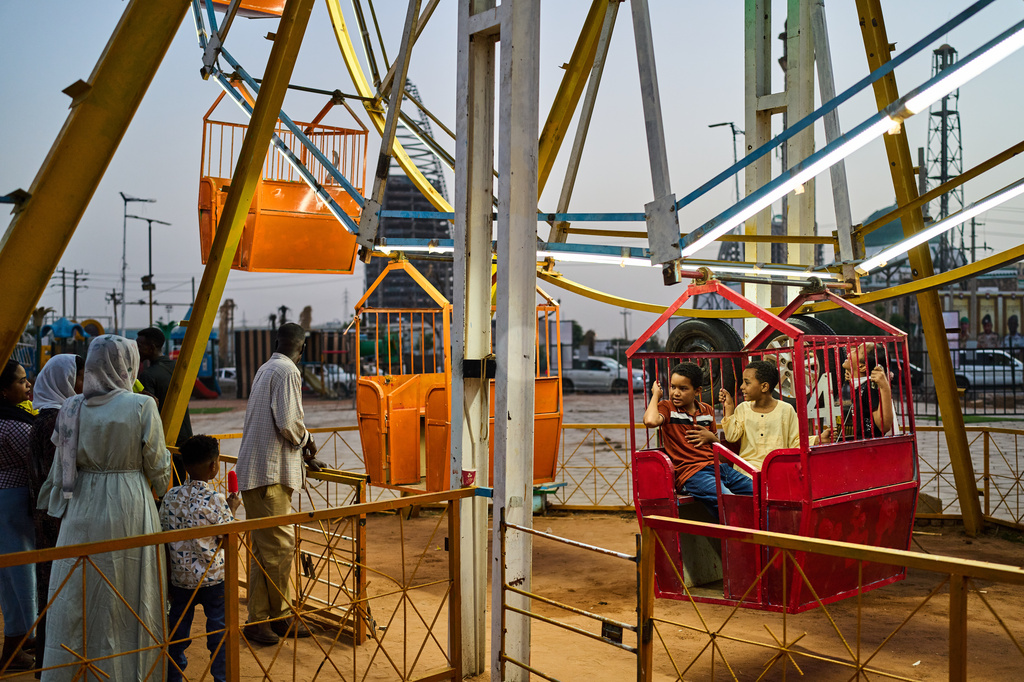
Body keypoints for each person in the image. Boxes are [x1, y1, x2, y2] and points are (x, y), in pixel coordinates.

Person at [37, 335, 171, 681]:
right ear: (128, 364)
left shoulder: (70, 407)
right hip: (130, 503)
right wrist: (158, 488)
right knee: (128, 590)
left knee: (79, 591)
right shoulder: (142, 406)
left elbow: (59, 470)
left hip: (81, 507)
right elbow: (158, 470)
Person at [235, 323, 322, 645]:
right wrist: (308, 442)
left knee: (265, 551)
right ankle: (278, 617)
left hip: (257, 473)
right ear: (302, 349)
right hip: (268, 476)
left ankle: (262, 620)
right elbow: (288, 423)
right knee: (281, 549)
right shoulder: (287, 371)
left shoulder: (266, 368)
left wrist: (302, 451)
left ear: (276, 342)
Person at [160, 435, 240, 682]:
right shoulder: (216, 500)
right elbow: (227, 539)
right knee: (219, 634)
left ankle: (174, 677)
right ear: (214, 466)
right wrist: (232, 509)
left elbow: (163, 535)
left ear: (184, 465)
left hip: (180, 581)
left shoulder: (171, 497)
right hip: (213, 579)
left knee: (177, 634)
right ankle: (222, 678)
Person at [28, 354, 84, 671]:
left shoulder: (45, 416)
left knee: (50, 584)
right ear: (64, 379)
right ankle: (55, 661)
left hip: (45, 511)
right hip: (58, 514)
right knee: (59, 587)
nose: (83, 384)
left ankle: (49, 660)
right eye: (79, 377)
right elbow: (65, 474)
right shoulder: (57, 419)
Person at [642, 362, 752, 521]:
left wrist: (711, 437)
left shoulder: (707, 410)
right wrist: (655, 395)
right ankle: (736, 540)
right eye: (673, 387)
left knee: (757, 490)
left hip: (718, 468)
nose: (676, 393)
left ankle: (764, 536)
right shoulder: (667, 407)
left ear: (698, 391)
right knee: (728, 499)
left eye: (683, 388)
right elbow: (651, 421)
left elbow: (715, 446)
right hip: (692, 473)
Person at [719, 360, 828, 473]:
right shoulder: (743, 408)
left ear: (764, 387)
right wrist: (729, 408)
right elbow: (731, 437)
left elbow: (795, 441)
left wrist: (817, 439)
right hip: (747, 470)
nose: (742, 387)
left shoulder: (786, 410)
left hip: (777, 470)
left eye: (747, 383)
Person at [0, 359, 38, 672]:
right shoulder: (13, 424)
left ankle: (13, 649)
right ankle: (33, 638)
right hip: (14, 502)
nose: (28, 385)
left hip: (3, 501)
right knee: (24, 570)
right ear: (3, 390)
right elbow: (38, 459)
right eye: (21, 381)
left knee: (8, 575)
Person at [136, 327, 193, 484]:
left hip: (165, 441)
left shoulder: (148, 375)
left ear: (151, 347)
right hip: (185, 436)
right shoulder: (177, 367)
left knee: (165, 489)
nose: (137, 349)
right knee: (181, 485)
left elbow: (148, 411)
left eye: (139, 346)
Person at [840, 342, 895, 440]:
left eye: (856, 351)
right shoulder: (862, 385)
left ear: (862, 367)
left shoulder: (870, 387)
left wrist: (885, 388)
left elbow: (884, 426)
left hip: (870, 448)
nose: (850, 351)